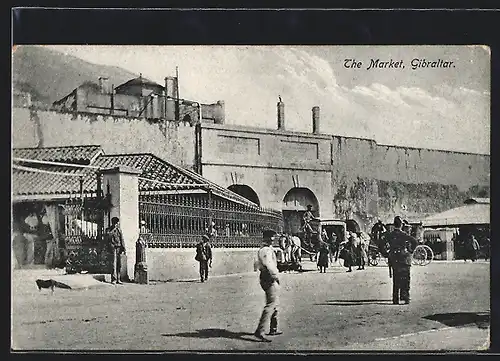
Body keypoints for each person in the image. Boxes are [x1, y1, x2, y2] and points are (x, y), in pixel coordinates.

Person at [254, 229, 282, 342]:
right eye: (270, 237)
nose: (272, 239)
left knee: (275, 302)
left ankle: (273, 328)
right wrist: (276, 276)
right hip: (268, 277)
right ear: (265, 238)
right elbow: (268, 265)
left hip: (266, 276)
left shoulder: (267, 249)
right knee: (271, 304)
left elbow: (256, 264)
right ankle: (260, 331)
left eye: (273, 237)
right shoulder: (265, 250)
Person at [384, 216, 418, 305]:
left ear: (394, 224)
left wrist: (386, 254)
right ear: (401, 225)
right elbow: (414, 241)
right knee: (406, 278)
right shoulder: (404, 235)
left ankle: (395, 299)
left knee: (396, 279)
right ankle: (405, 297)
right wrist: (410, 250)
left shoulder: (390, 235)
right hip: (404, 259)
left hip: (394, 259)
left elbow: (381, 244)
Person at [105, 217, 126, 285]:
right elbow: (107, 239)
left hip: (118, 248)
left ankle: (118, 279)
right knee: (113, 264)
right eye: (115, 223)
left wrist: (123, 248)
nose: (116, 224)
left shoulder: (119, 230)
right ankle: (113, 279)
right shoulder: (108, 230)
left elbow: (122, 239)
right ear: (112, 223)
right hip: (112, 248)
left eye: (117, 223)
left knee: (119, 264)